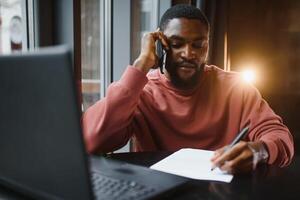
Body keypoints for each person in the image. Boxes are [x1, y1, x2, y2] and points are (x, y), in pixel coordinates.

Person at [82, 4, 294, 174]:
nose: (188, 53)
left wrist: (260, 151)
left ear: (207, 46)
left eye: (197, 45)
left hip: (221, 191)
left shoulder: (236, 87)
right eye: (177, 43)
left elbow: (280, 137)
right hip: (161, 192)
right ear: (160, 44)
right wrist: (140, 65)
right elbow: (91, 140)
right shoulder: (141, 91)